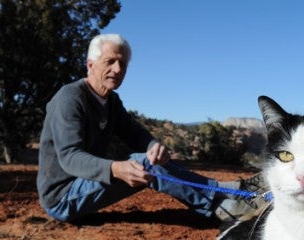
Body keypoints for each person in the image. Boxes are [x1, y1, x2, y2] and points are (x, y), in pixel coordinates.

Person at [37, 33, 266, 223]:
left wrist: (154, 145)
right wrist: (115, 169)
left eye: (123, 64)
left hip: (83, 187)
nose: (118, 69)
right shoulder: (70, 98)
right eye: (110, 61)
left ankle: (228, 192)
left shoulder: (111, 101)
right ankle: (223, 205)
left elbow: (134, 133)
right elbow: (69, 157)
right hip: (62, 198)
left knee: (151, 158)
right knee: (146, 164)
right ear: (90, 65)